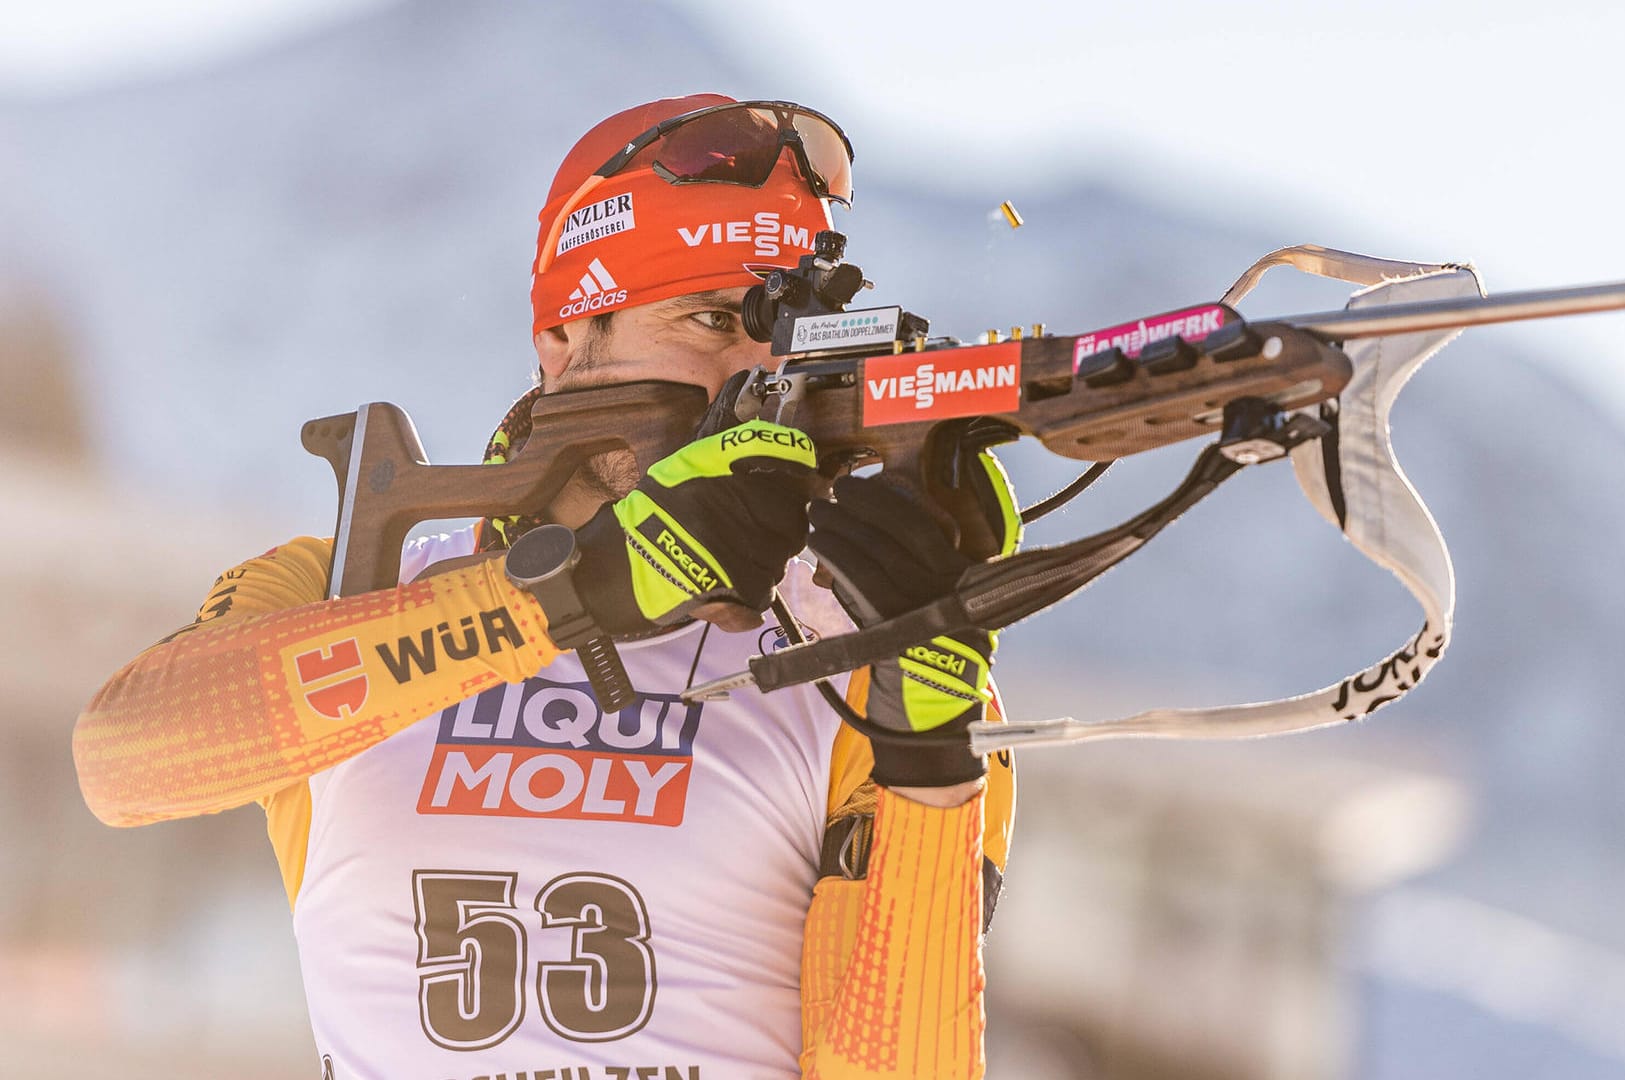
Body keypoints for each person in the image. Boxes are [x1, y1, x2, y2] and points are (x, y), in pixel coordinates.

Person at [71, 94, 1017, 1080]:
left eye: (787, 338)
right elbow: (125, 760)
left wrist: (925, 733)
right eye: (709, 320)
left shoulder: (857, 657)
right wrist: (573, 596)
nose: (757, 379)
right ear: (567, 342)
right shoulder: (349, 580)